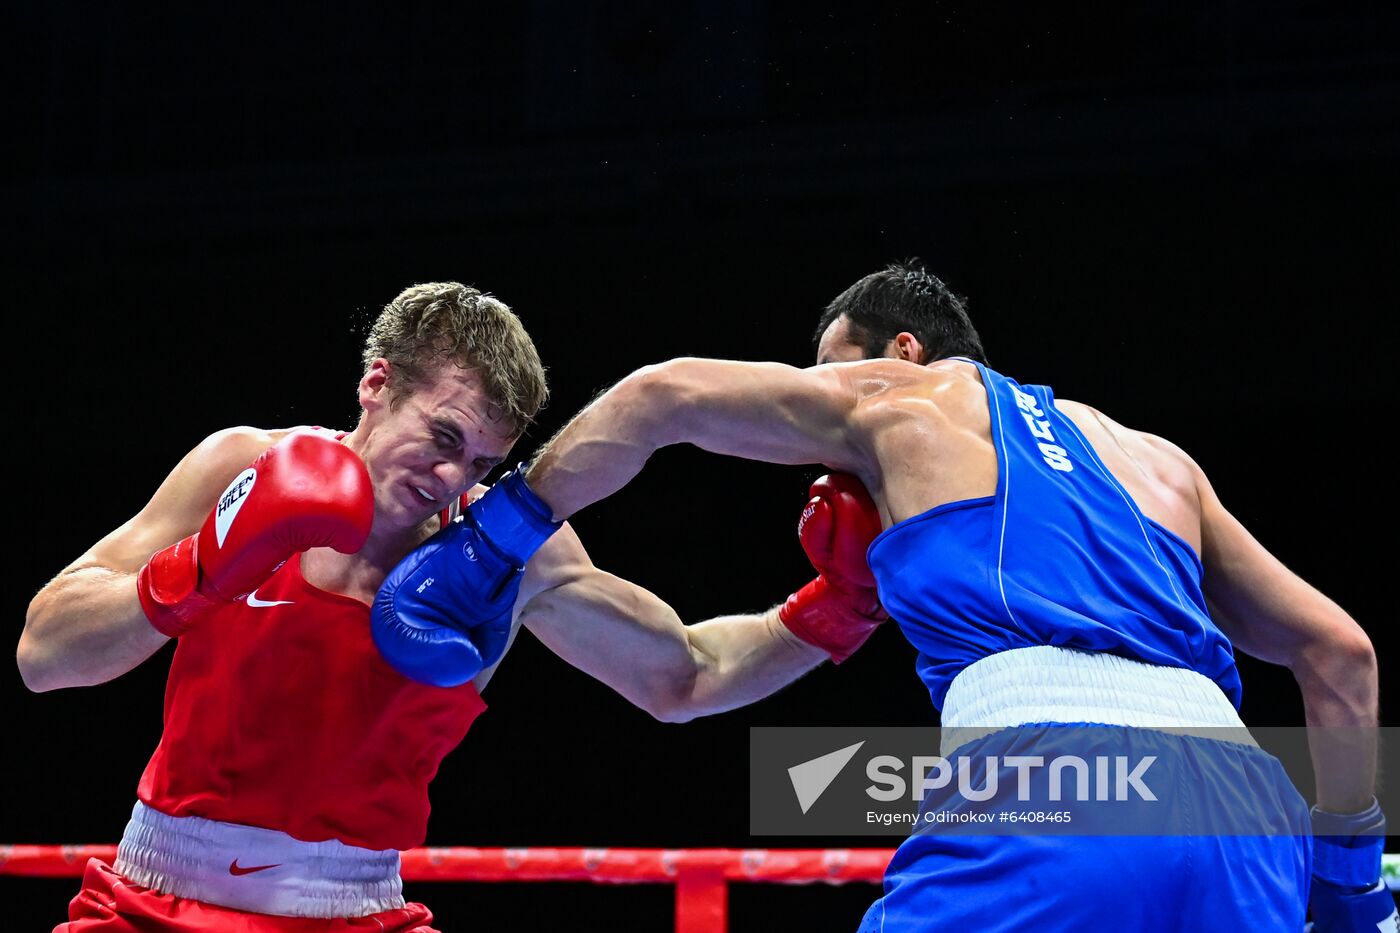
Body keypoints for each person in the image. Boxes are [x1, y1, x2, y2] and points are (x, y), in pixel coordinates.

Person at [426, 263, 1390, 931]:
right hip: (1244, 805)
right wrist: (1348, 889)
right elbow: (1341, 656)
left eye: (827, 367)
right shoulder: (1159, 462)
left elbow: (657, 394)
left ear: (899, 349)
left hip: (1056, 780)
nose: (816, 396)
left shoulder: (895, 399)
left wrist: (498, 534)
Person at [18, 281, 886, 932]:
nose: (449, 480)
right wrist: (204, 565)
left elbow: (690, 674)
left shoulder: (502, 556)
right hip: (150, 899)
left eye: (478, 462)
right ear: (376, 384)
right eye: (441, 437)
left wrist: (841, 604)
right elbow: (44, 655)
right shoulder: (240, 465)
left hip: (356, 909)